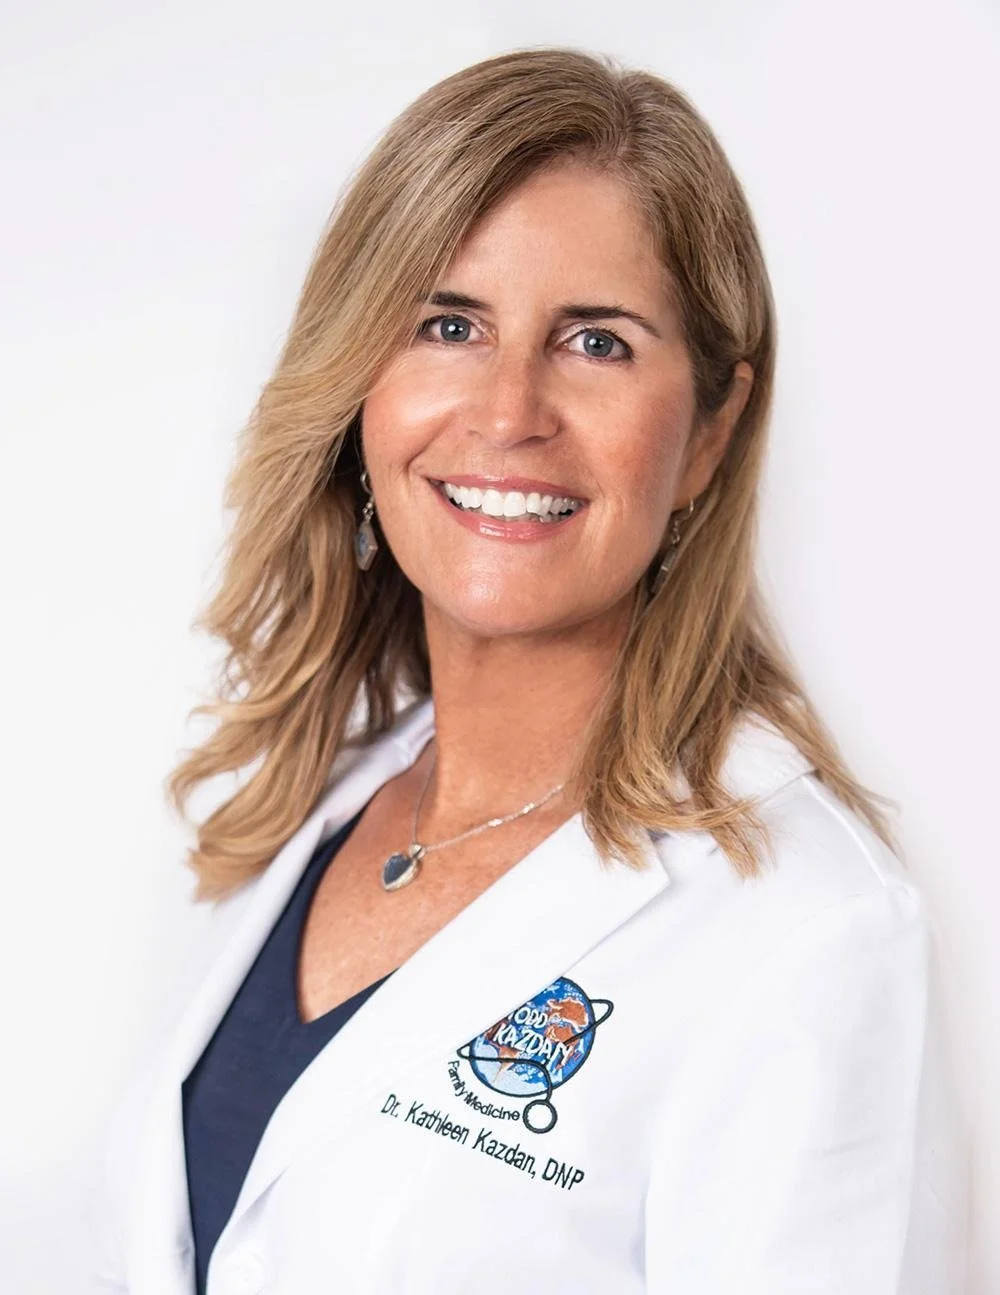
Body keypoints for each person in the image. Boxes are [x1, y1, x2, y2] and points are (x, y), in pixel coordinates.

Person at [88, 46, 970, 1294]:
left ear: (711, 426)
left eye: (596, 343)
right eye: (447, 325)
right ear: (356, 388)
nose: (509, 412)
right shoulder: (318, 802)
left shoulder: (811, 933)